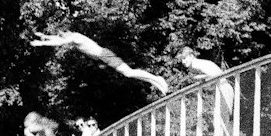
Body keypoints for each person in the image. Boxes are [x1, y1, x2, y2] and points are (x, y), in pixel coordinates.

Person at [32, 31, 169, 94]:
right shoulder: (73, 37)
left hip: (104, 55)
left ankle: (156, 79)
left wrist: (40, 43)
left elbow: (60, 41)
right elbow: (57, 38)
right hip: (103, 57)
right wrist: (44, 36)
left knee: (129, 73)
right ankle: (154, 81)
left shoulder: (75, 37)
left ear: (66, 33)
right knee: (129, 74)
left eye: (63, 34)